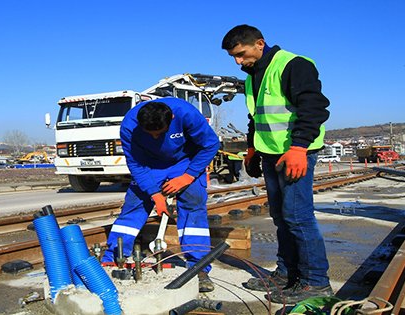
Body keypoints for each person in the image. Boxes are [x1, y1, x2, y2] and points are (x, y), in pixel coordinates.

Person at [221, 24, 332, 303]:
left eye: (241, 54)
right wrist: (251, 149)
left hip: (295, 153)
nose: (238, 61)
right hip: (270, 153)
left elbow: (314, 108)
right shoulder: (253, 74)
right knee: (282, 217)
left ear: (260, 43)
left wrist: (298, 148)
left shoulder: (294, 65)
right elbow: (256, 116)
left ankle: (316, 282)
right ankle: (286, 274)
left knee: (298, 217)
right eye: (233, 56)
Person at [101, 97, 220, 292]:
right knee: (134, 205)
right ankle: (114, 257)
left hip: (184, 163)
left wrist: (187, 177)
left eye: (160, 133)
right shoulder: (129, 127)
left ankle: (198, 267)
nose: (156, 137)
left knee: (193, 203)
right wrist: (155, 194)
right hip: (150, 166)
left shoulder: (185, 113)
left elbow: (210, 145)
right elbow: (136, 165)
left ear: (171, 118)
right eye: (151, 134)